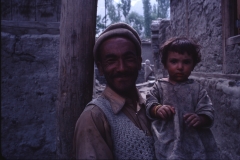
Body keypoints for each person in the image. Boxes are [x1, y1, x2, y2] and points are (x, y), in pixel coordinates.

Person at [73, 23, 155, 159]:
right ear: (100, 68)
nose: (121, 68)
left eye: (128, 58)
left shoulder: (150, 108)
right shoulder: (94, 118)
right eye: (111, 61)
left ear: (139, 62)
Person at [146, 37, 220, 159]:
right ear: (165, 64)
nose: (180, 67)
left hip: (194, 141)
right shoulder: (159, 86)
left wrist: (201, 119)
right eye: (174, 61)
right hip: (166, 140)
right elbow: (150, 103)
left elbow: (208, 110)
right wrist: (157, 109)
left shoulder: (197, 89)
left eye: (186, 62)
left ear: (193, 65)